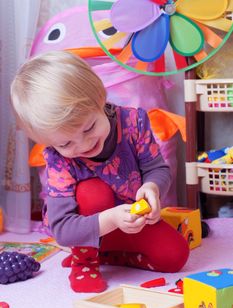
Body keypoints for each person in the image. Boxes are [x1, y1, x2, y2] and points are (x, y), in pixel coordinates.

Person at [10, 51, 189, 293]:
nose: (83, 145)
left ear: (100, 98)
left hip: (130, 220)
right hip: (91, 224)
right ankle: (84, 260)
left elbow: (157, 169)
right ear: (48, 142)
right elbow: (63, 229)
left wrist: (152, 187)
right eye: (65, 144)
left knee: (175, 256)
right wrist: (110, 219)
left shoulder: (134, 122)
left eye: (89, 127)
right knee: (92, 191)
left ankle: (110, 256)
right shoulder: (57, 159)